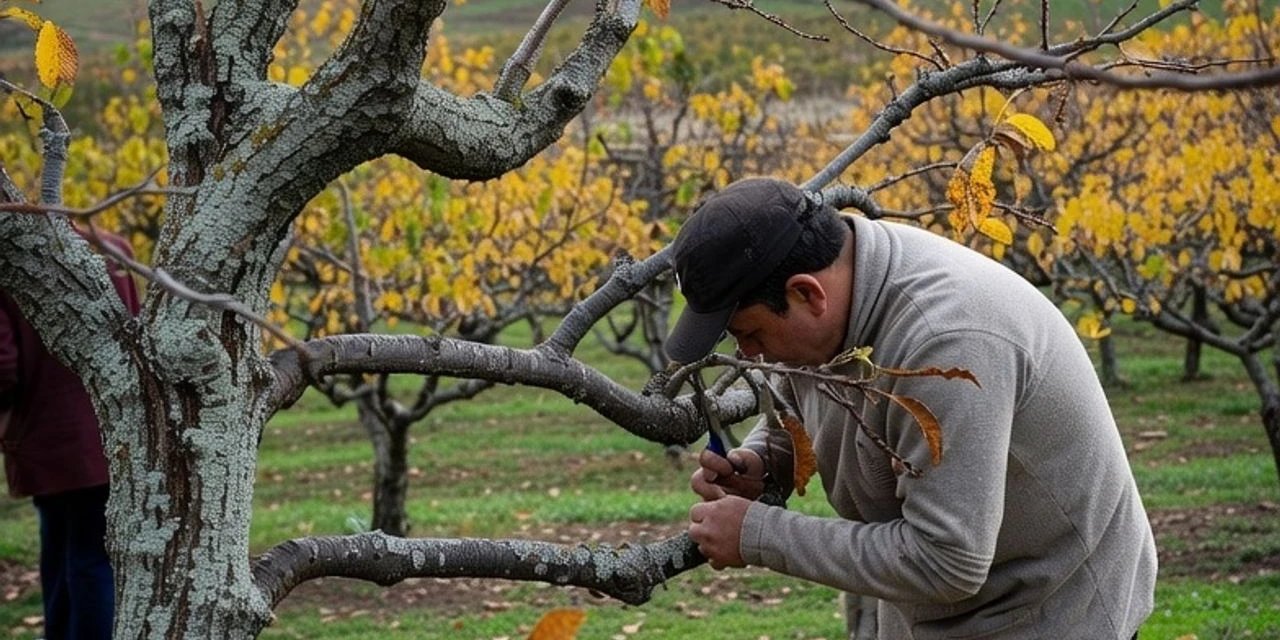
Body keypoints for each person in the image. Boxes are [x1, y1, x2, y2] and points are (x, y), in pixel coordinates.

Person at [671, 178, 1156, 639]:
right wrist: (767, 456)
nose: (750, 356)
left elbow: (947, 560)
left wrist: (759, 534)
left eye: (751, 334)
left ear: (806, 293)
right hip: (941, 615)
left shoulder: (947, 344)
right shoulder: (846, 282)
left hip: (1050, 614)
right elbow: (802, 385)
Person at [1, 230, 140, 640]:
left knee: (74, 559)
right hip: (115, 425)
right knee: (84, 555)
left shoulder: (11, 261)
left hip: (47, 435)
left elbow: (2, 366)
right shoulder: (112, 247)